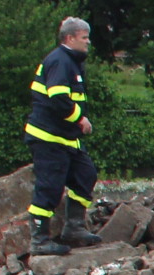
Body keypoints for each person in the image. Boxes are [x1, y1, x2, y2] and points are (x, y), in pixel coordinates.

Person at [25, 16, 99, 256]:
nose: (88, 42)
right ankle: (39, 241)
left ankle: (74, 228)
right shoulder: (60, 61)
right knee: (49, 186)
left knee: (85, 174)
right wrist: (79, 118)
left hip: (66, 139)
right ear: (70, 38)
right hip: (49, 138)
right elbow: (57, 98)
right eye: (84, 37)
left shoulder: (71, 62)